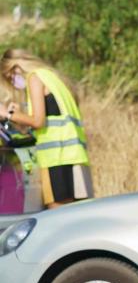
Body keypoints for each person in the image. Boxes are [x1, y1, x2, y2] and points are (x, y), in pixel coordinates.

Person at [0, 49, 92, 209]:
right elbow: (48, 119)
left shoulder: (34, 78)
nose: (13, 81)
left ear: (16, 67)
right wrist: (19, 116)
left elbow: (38, 121)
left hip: (56, 158)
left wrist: (7, 113)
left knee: (57, 218)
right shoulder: (53, 79)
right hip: (75, 157)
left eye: (10, 76)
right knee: (79, 216)